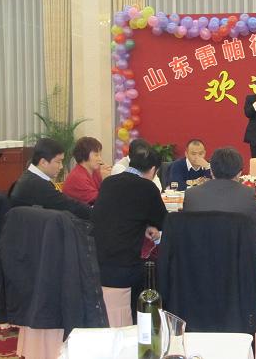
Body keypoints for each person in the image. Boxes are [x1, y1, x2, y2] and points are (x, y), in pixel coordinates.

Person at [92, 143, 167, 319]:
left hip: (96, 259)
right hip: (123, 264)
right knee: (157, 270)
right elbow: (163, 221)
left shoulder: (109, 182)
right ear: (153, 170)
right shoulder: (147, 188)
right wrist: (151, 227)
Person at [182, 146, 256, 240]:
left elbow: (186, 232)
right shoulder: (247, 194)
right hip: (236, 248)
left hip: (200, 248)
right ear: (239, 173)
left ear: (211, 171)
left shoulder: (192, 194)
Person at [9, 138, 91, 220]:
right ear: (43, 162)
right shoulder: (37, 184)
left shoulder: (29, 177)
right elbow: (68, 205)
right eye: (58, 162)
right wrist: (94, 212)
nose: (61, 167)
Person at [62, 136, 112, 205]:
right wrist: (106, 181)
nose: (100, 159)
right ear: (84, 155)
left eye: (100, 155)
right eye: (96, 155)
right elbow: (102, 200)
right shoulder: (77, 177)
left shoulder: (94, 171)